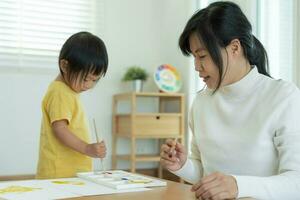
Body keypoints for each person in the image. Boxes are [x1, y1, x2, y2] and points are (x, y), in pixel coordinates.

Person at [160, 1, 300, 200]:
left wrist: (237, 185)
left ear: (235, 48)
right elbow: (206, 175)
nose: (197, 67)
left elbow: (297, 182)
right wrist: (182, 165)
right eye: (194, 57)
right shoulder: (201, 102)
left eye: (202, 56)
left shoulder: (283, 97)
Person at [36, 32, 108, 179]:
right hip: (60, 172)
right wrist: (87, 148)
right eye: (86, 79)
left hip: (69, 171)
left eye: (95, 80)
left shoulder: (68, 92)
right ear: (65, 66)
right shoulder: (59, 92)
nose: (89, 85)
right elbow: (60, 129)